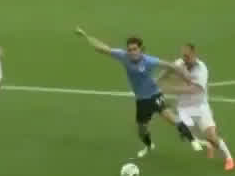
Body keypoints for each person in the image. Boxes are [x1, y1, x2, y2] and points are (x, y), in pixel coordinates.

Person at [73, 28, 200, 158]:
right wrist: (86, 36)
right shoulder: (123, 56)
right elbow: (102, 48)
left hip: (155, 95)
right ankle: (149, 146)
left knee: (171, 118)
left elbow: (171, 66)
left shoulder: (149, 61)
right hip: (141, 101)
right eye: (129, 50)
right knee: (141, 131)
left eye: (134, 49)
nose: (132, 52)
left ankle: (193, 140)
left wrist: (186, 77)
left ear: (141, 49)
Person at [160, 43, 235, 171]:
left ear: (194, 54)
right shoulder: (180, 63)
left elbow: (194, 90)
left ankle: (229, 158)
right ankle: (208, 145)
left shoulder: (202, 69)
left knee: (211, 135)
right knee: (185, 133)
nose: (185, 59)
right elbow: (169, 69)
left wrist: (170, 89)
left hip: (200, 107)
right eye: (183, 56)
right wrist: (158, 80)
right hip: (184, 108)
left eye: (187, 56)